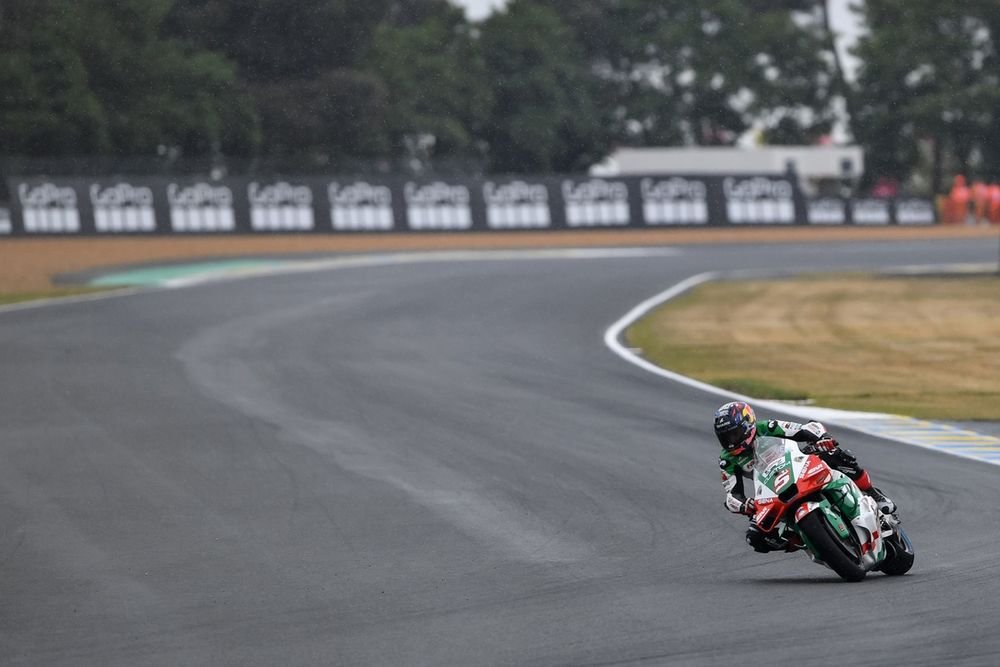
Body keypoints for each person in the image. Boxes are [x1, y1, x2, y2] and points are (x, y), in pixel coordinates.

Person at [714, 401, 897, 553]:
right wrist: (744, 505)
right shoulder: (727, 459)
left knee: (837, 455)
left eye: (734, 434)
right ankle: (801, 539)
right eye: (725, 437)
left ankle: (872, 493)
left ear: (748, 425)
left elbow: (803, 429)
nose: (731, 441)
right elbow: (731, 494)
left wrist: (821, 437)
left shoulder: (767, 427)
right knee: (755, 537)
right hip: (771, 490)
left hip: (797, 465)